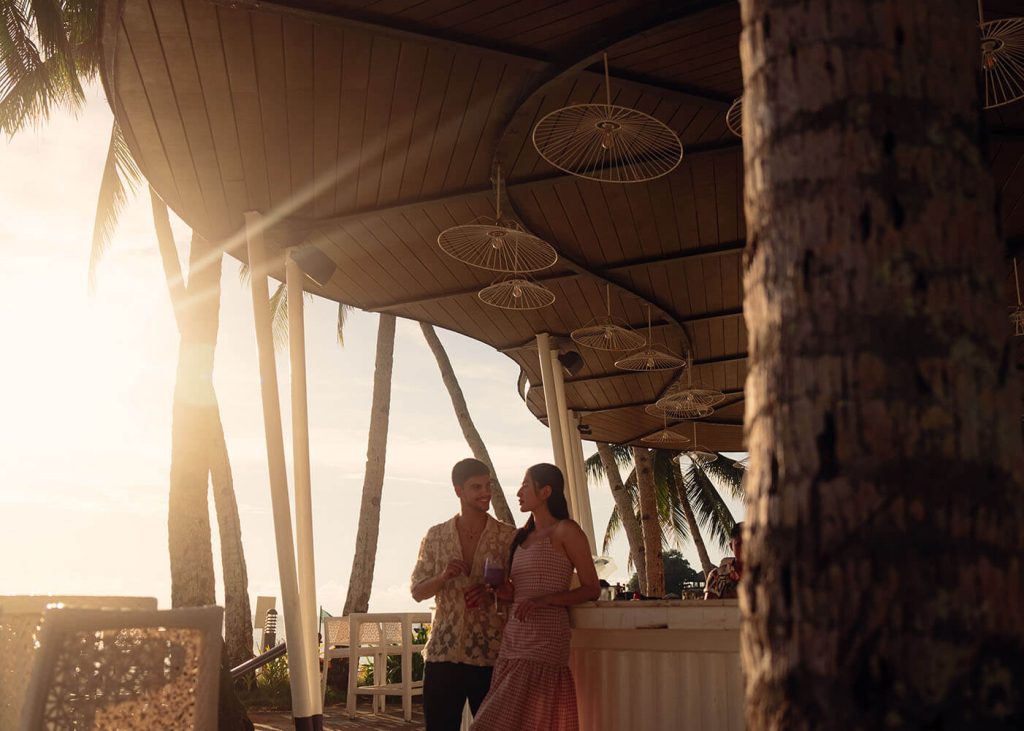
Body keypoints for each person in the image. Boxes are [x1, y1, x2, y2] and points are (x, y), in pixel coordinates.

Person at [471, 463, 601, 731]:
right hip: (514, 639)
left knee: (491, 723)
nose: (519, 492)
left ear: (545, 492)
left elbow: (591, 588)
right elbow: (519, 592)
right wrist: (501, 591)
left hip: (545, 639)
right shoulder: (522, 537)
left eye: (525, 485)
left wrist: (543, 600)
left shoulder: (566, 531)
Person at [411, 458, 518, 731]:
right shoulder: (435, 536)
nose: (486, 493)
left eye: (488, 485)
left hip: (490, 654)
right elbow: (417, 592)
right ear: (458, 490)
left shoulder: (507, 537)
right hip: (442, 654)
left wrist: (492, 594)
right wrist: (443, 576)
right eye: (476, 487)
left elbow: (520, 592)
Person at [704, 522, 744, 600]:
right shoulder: (717, 575)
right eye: (738, 544)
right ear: (731, 546)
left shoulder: (766, 576)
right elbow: (708, 609)